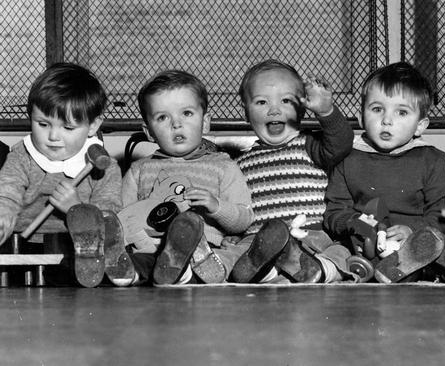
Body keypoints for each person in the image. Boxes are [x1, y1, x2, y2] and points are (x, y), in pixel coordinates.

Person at [324, 62, 445, 283]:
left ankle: (401, 269)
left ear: (420, 125)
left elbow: (443, 216)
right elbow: (334, 213)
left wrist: (412, 230)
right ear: (361, 117)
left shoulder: (431, 160)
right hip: (358, 247)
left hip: (412, 245)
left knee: (439, 249)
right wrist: (355, 222)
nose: (387, 120)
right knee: (335, 252)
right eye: (377, 109)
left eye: (401, 112)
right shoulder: (348, 157)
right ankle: (322, 269)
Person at [109, 70, 254, 286]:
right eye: (163, 117)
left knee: (228, 257)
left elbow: (244, 219)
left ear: (205, 123)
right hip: (151, 250)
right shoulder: (140, 170)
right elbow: (122, 218)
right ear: (149, 132)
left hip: (205, 252)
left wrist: (217, 207)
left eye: (186, 113)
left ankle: (187, 272)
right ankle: (128, 274)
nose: (176, 124)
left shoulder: (223, 166)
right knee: (137, 261)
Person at [230, 59, 356, 284]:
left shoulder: (311, 146)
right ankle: (257, 270)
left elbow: (342, 142)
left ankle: (321, 269)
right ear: (246, 112)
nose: (274, 109)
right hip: (257, 240)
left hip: (309, 235)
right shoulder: (238, 163)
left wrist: (326, 111)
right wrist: (232, 235)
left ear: (302, 107)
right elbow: (236, 210)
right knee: (237, 253)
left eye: (286, 100)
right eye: (261, 102)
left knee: (341, 250)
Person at [0, 62, 122, 286]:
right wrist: (3, 214)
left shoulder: (104, 167)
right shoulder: (22, 156)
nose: (53, 136)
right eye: (43, 124)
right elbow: (7, 190)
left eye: (68, 128)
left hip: (76, 250)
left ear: (93, 125)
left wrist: (77, 210)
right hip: (20, 242)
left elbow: (109, 215)